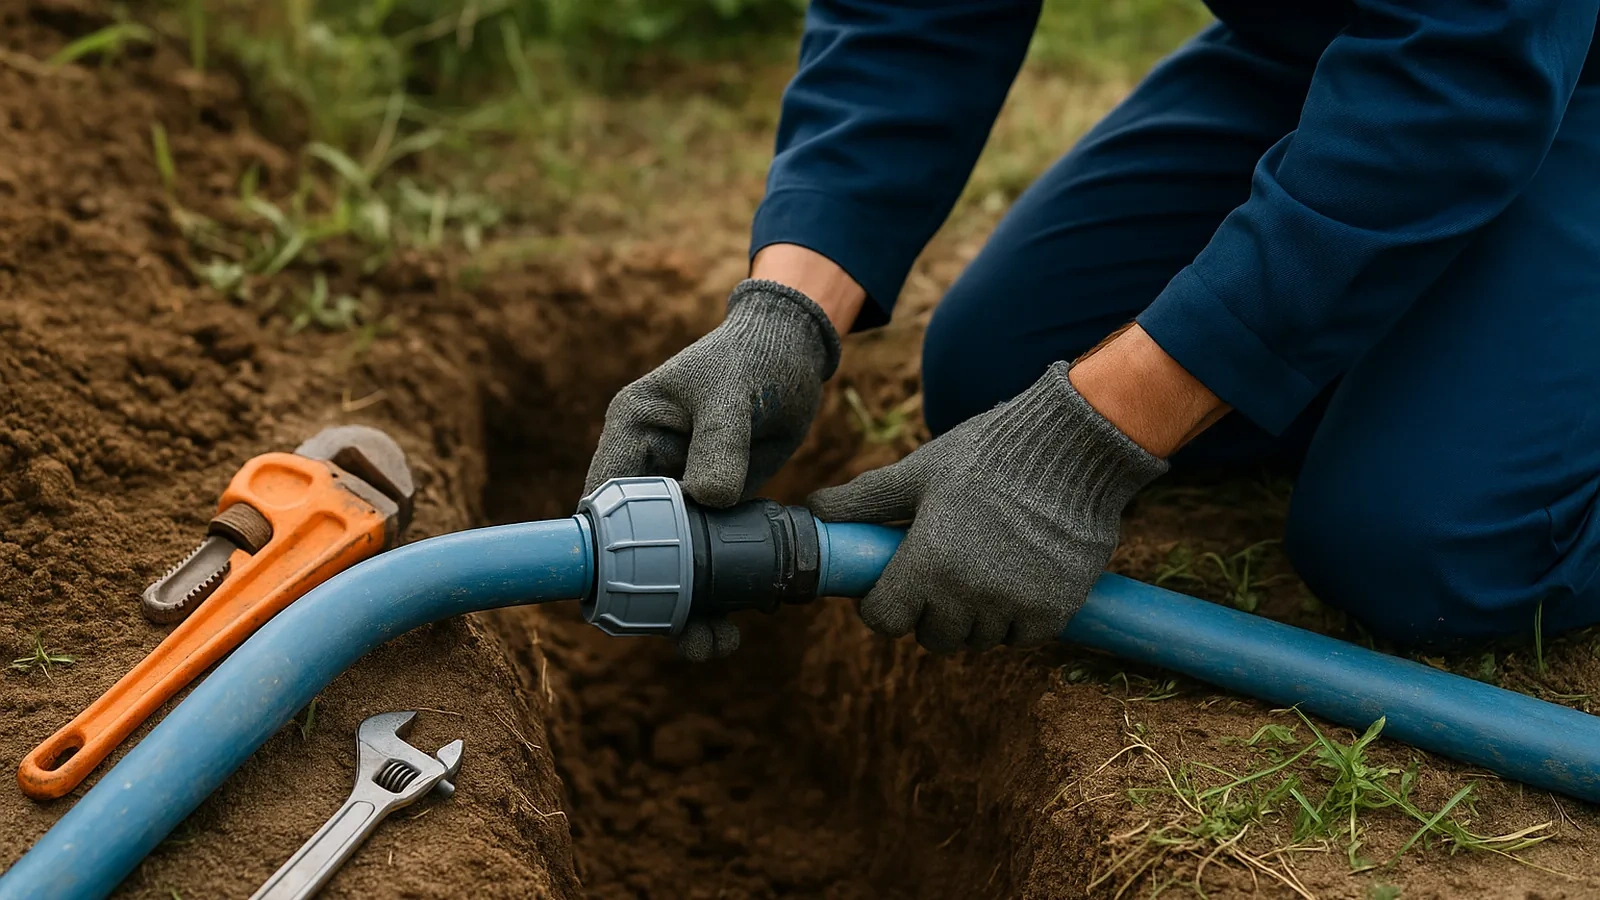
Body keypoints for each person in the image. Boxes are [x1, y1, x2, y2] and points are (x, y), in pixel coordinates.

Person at [585, 0, 1600, 662]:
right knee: (1002, 368)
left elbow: (1459, 88)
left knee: (1434, 549)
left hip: (1499, 55)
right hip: (1345, 45)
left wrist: (1083, 439)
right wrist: (788, 310)